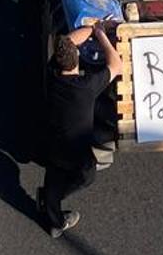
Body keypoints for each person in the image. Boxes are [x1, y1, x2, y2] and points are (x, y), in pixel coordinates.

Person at [38, 23, 123, 237]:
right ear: (76, 58)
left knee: (54, 177)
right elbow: (116, 65)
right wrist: (100, 33)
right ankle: (50, 202)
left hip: (52, 142)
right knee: (86, 176)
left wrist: (91, 28)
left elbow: (67, 42)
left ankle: (55, 218)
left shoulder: (53, 74)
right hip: (76, 150)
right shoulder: (85, 87)